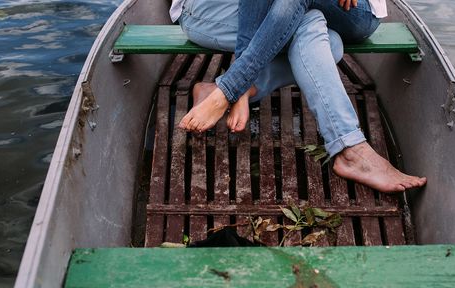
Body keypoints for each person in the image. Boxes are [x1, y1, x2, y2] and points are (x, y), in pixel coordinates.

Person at [171, 0, 427, 192]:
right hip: (212, 10)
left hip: (349, 8)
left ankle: (229, 88)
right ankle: (350, 148)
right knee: (324, 40)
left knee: (321, 34)